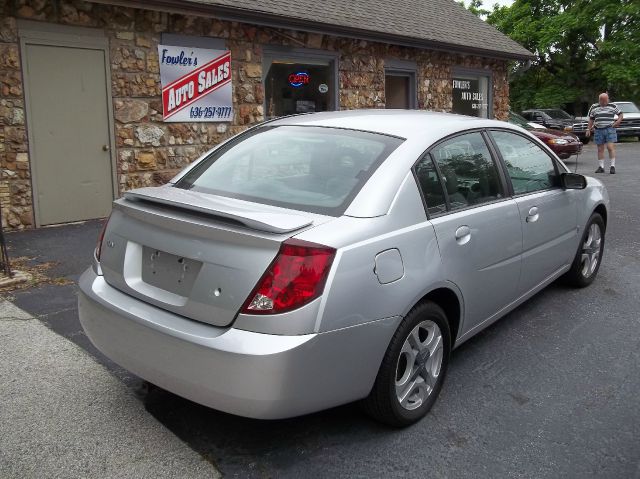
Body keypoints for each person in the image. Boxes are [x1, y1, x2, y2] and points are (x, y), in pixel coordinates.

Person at [586, 92, 623, 174]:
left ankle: (612, 166)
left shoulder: (613, 106)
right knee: (600, 149)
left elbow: (620, 114)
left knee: (610, 147)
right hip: (598, 130)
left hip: (610, 129)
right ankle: (601, 167)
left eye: (607, 100)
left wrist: (618, 122)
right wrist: (588, 129)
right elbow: (591, 119)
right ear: (600, 100)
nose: (606, 102)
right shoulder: (594, 107)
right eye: (603, 101)